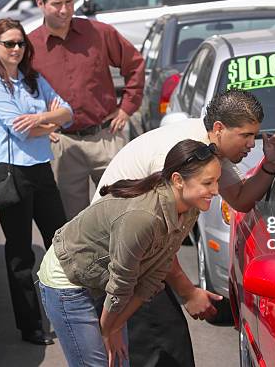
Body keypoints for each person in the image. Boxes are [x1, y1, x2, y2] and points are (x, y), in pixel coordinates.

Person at [91, 89, 275, 367]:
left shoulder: (208, 147)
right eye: (245, 136)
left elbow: (241, 199)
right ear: (220, 129)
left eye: (254, 135)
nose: (251, 144)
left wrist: (270, 164)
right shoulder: (183, 153)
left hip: (140, 257)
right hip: (118, 260)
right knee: (163, 350)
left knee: (167, 347)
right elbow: (156, 239)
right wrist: (189, 293)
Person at [38, 139, 221, 367]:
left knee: (119, 361)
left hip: (108, 281)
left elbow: (154, 275)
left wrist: (114, 326)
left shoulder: (190, 208)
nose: (215, 190)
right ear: (178, 180)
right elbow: (121, 284)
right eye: (208, 183)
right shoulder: (143, 217)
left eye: (217, 181)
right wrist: (107, 331)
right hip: (68, 279)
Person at [0, 18, 73, 345]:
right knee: (20, 254)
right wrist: (49, 123)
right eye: (8, 43)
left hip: (41, 169)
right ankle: (31, 325)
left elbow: (68, 111)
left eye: (20, 43)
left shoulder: (33, 79)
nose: (16, 49)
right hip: (13, 174)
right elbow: (22, 130)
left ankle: (66, 313)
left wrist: (41, 118)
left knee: (60, 245)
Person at [28, 0, 145, 220]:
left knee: (123, 214)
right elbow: (20, 89)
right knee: (75, 223)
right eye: (57, 4)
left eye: (69, 3)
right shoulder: (30, 47)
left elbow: (134, 65)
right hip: (62, 144)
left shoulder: (99, 33)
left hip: (106, 136)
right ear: (40, 3)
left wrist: (126, 107)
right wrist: (40, 124)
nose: (64, 10)